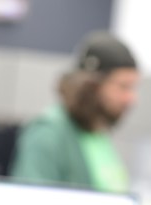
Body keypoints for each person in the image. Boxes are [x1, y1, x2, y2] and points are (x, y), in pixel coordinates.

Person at [10, 31, 139, 191]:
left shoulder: (98, 133)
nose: (131, 98)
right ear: (92, 85)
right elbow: (31, 201)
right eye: (123, 87)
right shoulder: (48, 134)